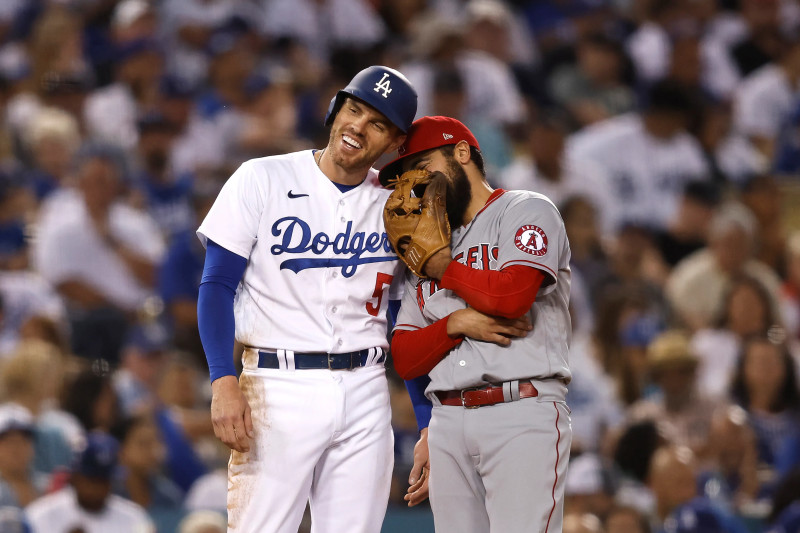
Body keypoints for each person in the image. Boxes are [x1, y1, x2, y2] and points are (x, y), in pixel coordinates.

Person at [196, 65, 417, 532]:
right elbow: (216, 285)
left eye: (377, 122)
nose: (357, 126)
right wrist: (222, 379)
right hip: (277, 385)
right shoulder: (262, 177)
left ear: (395, 143)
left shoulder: (397, 205)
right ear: (335, 111)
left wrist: (426, 419)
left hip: (367, 387)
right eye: (353, 109)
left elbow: (403, 318)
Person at [382, 116, 572, 532]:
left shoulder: (525, 209)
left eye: (422, 164)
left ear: (462, 153)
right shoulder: (426, 246)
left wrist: (444, 268)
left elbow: (511, 296)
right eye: (407, 176)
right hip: (448, 420)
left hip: (520, 412)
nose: (416, 182)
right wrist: (456, 323)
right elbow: (405, 358)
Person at [25, 431, 154, 533]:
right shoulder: (40, 516)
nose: (98, 487)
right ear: (74, 477)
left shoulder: (134, 518)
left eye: (104, 479)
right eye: (92, 479)